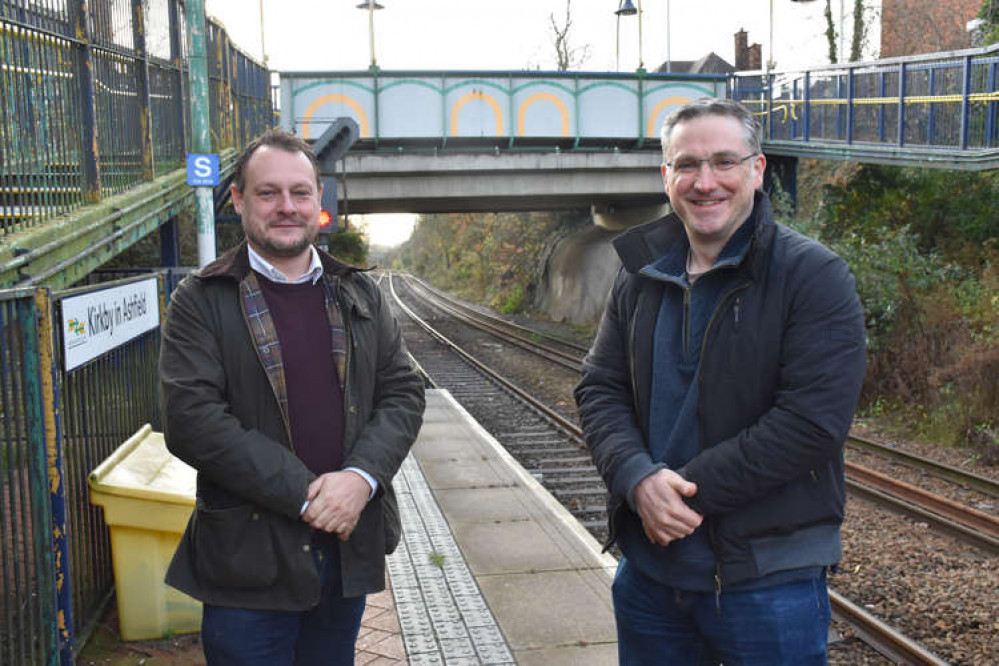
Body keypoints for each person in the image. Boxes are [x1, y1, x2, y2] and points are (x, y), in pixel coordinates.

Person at [574, 98, 866, 665]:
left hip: (766, 579)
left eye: (724, 162)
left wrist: (675, 492)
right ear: (667, 177)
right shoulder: (639, 276)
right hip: (650, 580)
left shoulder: (812, 276)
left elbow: (811, 424)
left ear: (756, 171)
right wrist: (637, 480)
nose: (705, 181)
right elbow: (598, 388)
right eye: (687, 165)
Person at [159, 128, 425, 665]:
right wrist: (310, 496)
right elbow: (191, 420)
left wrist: (359, 480)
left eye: (300, 193)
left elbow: (403, 392)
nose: (287, 207)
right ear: (238, 200)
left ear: (317, 200)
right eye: (268, 192)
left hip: (344, 553)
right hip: (247, 565)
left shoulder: (359, 292)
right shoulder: (200, 300)